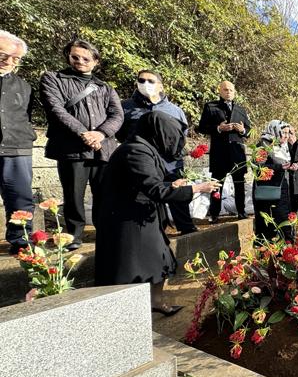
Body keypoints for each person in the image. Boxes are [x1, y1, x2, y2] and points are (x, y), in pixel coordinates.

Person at [94, 111, 218, 315]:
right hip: (128, 220)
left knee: (159, 259)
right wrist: (197, 188)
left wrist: (172, 185)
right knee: (130, 266)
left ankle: (156, 302)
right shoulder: (135, 151)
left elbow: (149, 184)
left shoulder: (143, 148)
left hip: (141, 215)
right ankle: (127, 311)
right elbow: (153, 189)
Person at [40, 38, 123, 251]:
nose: (80, 62)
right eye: (75, 57)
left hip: (103, 148)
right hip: (71, 148)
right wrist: (83, 133)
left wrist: (100, 134)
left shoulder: (105, 87)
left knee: (105, 193)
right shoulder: (53, 79)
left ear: (95, 61)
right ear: (68, 56)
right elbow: (56, 110)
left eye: (86, 59)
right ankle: (74, 235)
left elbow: (117, 115)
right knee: (73, 194)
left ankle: (104, 231)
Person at [121, 69, 196, 235]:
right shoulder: (125, 107)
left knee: (177, 191)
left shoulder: (175, 110)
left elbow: (181, 136)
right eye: (141, 80)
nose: (145, 84)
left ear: (160, 86)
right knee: (147, 194)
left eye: (150, 81)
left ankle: (186, 226)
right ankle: (152, 230)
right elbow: (120, 134)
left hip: (170, 161)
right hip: (142, 161)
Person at [0, 30, 36, 254]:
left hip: (16, 147)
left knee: (20, 198)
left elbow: (26, 116)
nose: (9, 62)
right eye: (3, 55)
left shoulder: (24, 86)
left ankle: (21, 240)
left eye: (16, 58)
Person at [196, 81, 251, 222]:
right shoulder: (211, 107)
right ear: (220, 91)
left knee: (239, 184)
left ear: (234, 92)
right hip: (219, 153)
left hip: (237, 153)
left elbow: (249, 131)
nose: (228, 92)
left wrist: (242, 130)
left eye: (231, 90)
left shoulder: (241, 110)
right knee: (217, 184)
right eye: (226, 90)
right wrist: (219, 128)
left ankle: (241, 211)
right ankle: (214, 214)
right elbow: (201, 128)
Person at [253, 120, 294, 242]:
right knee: (267, 221)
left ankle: (287, 248)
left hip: (281, 187)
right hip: (267, 190)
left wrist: (291, 166)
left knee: (283, 218)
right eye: (284, 133)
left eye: (288, 133)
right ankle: (268, 249)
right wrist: (279, 167)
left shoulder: (283, 146)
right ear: (275, 131)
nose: (286, 136)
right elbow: (258, 167)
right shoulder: (263, 145)